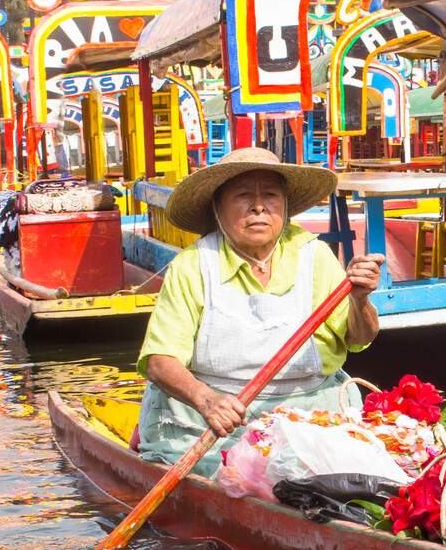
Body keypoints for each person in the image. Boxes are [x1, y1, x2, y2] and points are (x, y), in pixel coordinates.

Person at [134, 147, 384, 473]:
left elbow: (359, 336)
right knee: (238, 476)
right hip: (211, 423)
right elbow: (159, 361)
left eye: (270, 195)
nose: (258, 207)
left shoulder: (315, 256)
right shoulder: (194, 265)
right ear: (218, 208)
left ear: (285, 208)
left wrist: (360, 300)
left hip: (310, 415)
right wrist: (207, 400)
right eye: (242, 196)